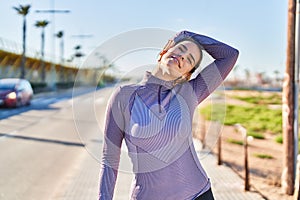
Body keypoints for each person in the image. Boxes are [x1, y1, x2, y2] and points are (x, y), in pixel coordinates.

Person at [99, 30, 239, 200]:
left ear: (187, 74)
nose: (182, 57)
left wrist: (189, 35)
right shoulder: (124, 95)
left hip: (198, 194)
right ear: (164, 52)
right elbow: (110, 158)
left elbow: (230, 55)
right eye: (180, 49)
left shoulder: (189, 93)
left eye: (189, 59)